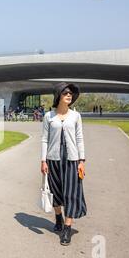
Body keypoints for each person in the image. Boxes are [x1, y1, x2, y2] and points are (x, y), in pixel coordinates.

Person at [40, 82, 87, 246]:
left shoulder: (76, 116)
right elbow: (44, 139)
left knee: (71, 193)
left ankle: (67, 228)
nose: (69, 95)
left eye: (71, 94)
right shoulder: (48, 116)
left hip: (72, 160)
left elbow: (80, 139)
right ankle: (58, 217)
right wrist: (43, 160)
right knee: (56, 192)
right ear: (58, 95)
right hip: (53, 160)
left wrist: (82, 161)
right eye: (66, 93)